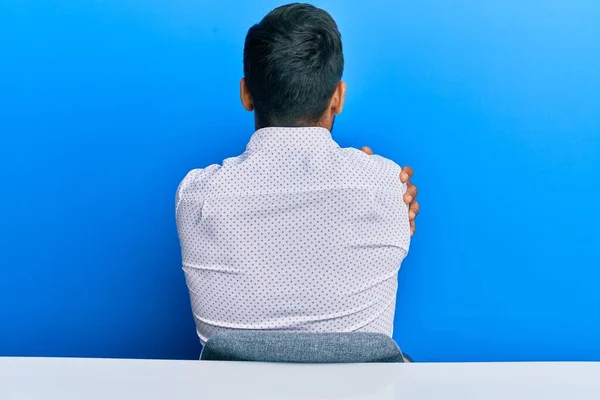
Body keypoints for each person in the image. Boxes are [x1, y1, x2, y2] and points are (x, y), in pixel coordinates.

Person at [176, 3, 420, 347]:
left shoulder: (195, 196)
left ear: (246, 93)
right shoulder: (387, 186)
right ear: (338, 97)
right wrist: (374, 179)